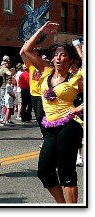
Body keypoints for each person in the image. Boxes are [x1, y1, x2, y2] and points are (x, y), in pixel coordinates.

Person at [20, 21, 83, 204]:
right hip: (50, 127)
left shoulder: (75, 79)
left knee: (66, 171)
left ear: (70, 60)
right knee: (44, 171)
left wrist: (80, 107)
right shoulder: (46, 71)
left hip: (70, 126)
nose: (58, 58)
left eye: (63, 55)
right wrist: (40, 31)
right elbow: (25, 51)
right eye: (56, 55)